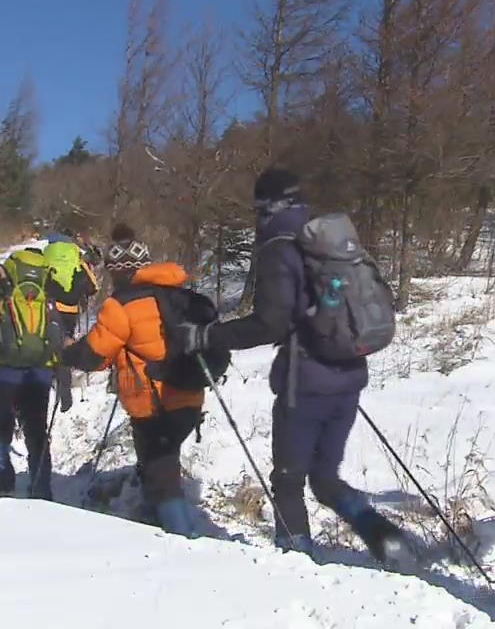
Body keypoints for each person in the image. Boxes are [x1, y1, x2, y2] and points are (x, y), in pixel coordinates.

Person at [173, 168, 408, 561]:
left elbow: (271, 322)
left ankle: (295, 563)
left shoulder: (279, 247)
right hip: (349, 375)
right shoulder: (326, 240)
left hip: (306, 381)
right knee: (325, 477)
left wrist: (207, 336)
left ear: (266, 206)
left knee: (288, 479)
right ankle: (384, 537)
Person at [62, 223, 205, 538]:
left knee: (162, 472)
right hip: (189, 395)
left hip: (152, 403)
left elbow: (94, 356)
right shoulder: (180, 295)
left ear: (115, 272)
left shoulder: (122, 305)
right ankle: (157, 521)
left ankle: (185, 542)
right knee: (160, 463)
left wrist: (68, 353)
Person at [0, 249, 73, 500]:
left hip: (0, 376)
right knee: (36, 430)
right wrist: (64, 382)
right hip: (40, 376)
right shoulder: (46, 300)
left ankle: (2, 484)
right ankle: (41, 488)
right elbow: (59, 342)